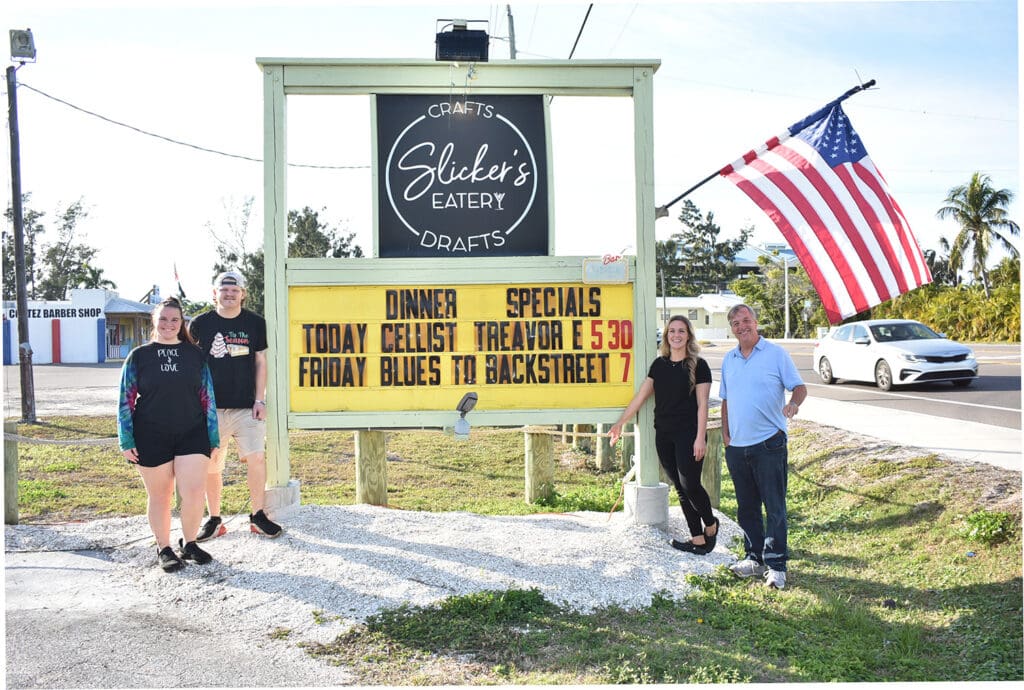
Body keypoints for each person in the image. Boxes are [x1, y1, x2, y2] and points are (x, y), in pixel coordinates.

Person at [118, 297, 220, 573]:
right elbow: (125, 399)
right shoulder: (139, 356)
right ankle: (164, 548)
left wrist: (213, 436)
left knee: (194, 491)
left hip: (192, 432)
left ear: (182, 322)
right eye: (163, 318)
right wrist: (126, 439)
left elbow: (208, 397)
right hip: (150, 433)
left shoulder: (195, 355)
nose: (168, 324)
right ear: (154, 321)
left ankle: (190, 543)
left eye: (174, 319)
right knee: (160, 495)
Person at [609, 314, 719, 554]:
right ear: (667, 336)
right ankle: (697, 539)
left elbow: (703, 405)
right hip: (664, 435)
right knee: (679, 487)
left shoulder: (698, 365)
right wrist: (620, 423)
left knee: (690, 484)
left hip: (689, 435)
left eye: (681, 331)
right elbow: (640, 397)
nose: (676, 335)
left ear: (688, 336)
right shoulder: (659, 365)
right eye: (672, 331)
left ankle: (711, 524)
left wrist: (700, 438)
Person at [189, 270, 282, 540]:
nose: (229, 294)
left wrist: (260, 399)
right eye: (224, 289)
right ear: (214, 293)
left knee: (257, 458)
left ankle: (257, 515)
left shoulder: (255, 323)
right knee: (211, 464)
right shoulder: (200, 324)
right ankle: (215, 519)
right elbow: (191, 364)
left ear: (243, 294)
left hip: (246, 406)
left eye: (235, 290)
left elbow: (261, 362)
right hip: (211, 407)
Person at [719, 304, 806, 590]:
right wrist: (726, 436)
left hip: (769, 443)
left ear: (755, 322)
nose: (741, 326)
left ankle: (776, 565)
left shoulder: (776, 354)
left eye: (745, 320)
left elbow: (799, 387)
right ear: (732, 329)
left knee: (774, 507)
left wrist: (793, 404)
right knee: (747, 507)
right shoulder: (729, 359)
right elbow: (726, 400)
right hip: (737, 447)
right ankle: (754, 558)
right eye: (735, 323)